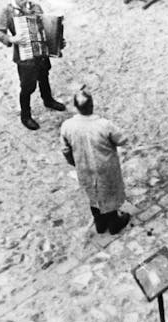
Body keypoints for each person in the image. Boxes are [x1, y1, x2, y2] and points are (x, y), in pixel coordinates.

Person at [60, 89, 131, 235]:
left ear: (76, 107)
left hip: (84, 166)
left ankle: (100, 222)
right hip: (105, 166)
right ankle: (114, 224)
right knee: (108, 193)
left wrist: (74, 162)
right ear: (91, 105)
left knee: (93, 195)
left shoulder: (67, 126)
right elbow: (122, 140)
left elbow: (65, 150)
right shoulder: (104, 125)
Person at [0, 0, 66, 130]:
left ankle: (48, 100)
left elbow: (46, 28)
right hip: (25, 58)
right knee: (27, 87)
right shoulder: (8, 11)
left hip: (42, 54)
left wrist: (57, 42)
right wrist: (12, 39)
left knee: (44, 76)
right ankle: (25, 116)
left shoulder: (36, 7)